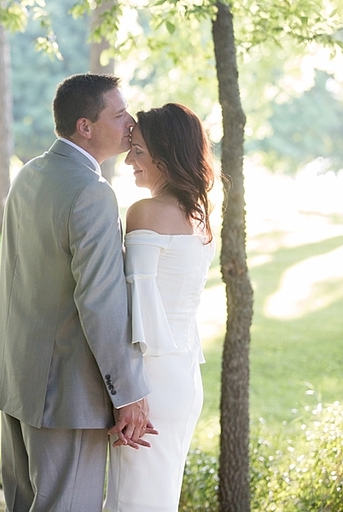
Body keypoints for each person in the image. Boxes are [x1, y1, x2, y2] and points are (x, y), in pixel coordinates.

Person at [0, 73, 153, 512]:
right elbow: (100, 302)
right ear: (85, 126)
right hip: (66, 394)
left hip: (16, 376)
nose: (129, 122)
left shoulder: (30, 174)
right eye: (118, 114)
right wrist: (127, 392)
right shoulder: (92, 193)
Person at [103, 103, 216, 512]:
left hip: (148, 378)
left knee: (131, 499)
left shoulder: (146, 213)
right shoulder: (198, 218)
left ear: (165, 156)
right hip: (183, 375)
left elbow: (137, 305)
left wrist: (129, 393)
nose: (130, 159)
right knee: (155, 496)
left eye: (138, 150)